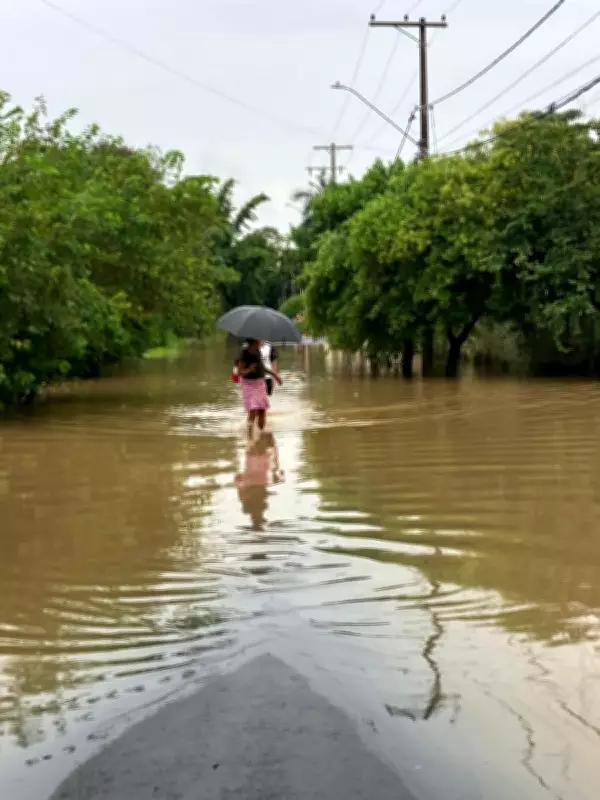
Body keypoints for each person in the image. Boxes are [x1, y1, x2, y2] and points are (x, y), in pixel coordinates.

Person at [237, 338, 282, 436]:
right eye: (259, 341)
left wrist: (274, 375)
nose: (261, 343)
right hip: (248, 384)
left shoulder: (257, 352)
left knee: (262, 409)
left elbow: (262, 367)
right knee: (252, 410)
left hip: (260, 383)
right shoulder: (244, 354)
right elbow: (239, 372)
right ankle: (250, 436)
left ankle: (261, 434)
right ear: (253, 342)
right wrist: (249, 369)